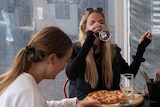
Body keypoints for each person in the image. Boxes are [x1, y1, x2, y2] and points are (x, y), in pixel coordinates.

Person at [0, 26, 102, 107]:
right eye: (66, 60)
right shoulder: (29, 94)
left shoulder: (19, 81)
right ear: (52, 59)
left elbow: (44, 105)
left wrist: (74, 104)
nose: (65, 66)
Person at [66, 7, 152, 100]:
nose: (98, 25)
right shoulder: (75, 49)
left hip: (111, 101)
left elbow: (129, 73)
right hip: (85, 102)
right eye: (92, 23)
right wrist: (89, 42)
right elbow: (71, 74)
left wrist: (141, 47)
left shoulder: (112, 49)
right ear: (84, 28)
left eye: (101, 22)